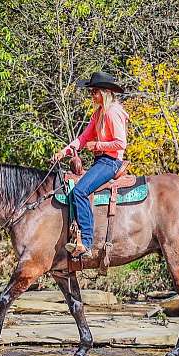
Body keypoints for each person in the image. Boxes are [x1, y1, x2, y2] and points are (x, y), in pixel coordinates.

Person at [52, 71, 129, 258]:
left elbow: (121, 143)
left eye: (94, 91)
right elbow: (84, 137)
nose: (91, 95)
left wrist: (98, 145)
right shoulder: (99, 113)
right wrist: (64, 151)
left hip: (111, 162)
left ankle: (86, 242)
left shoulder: (112, 112)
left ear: (104, 92)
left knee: (79, 191)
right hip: (101, 160)